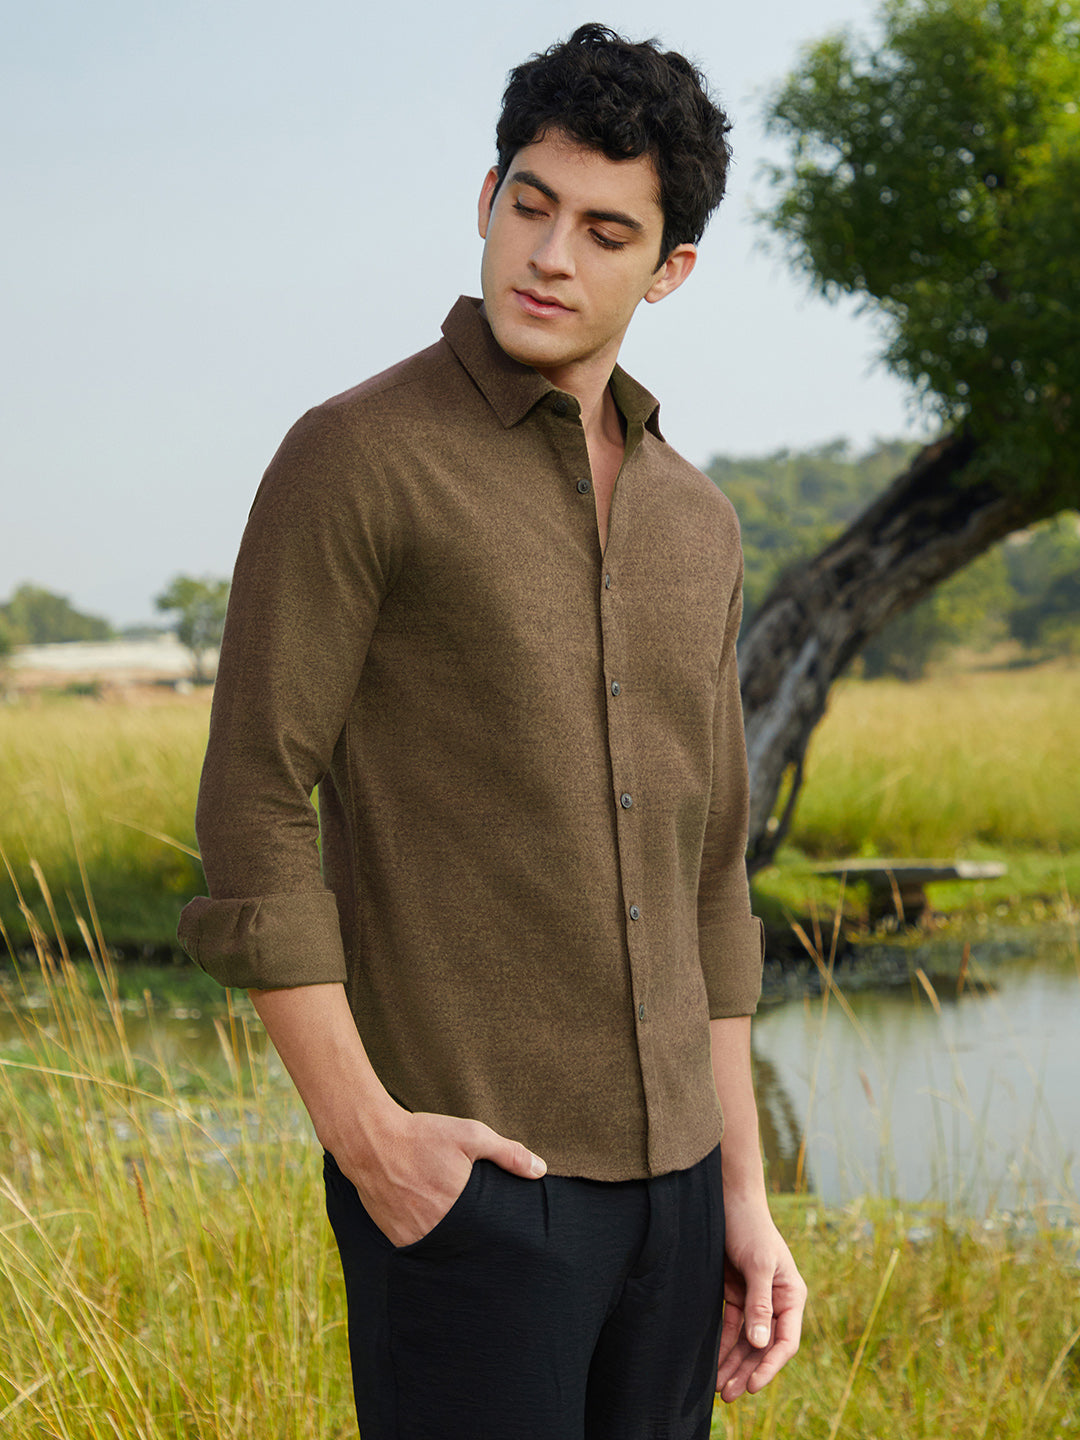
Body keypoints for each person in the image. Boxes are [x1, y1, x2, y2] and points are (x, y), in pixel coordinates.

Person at [178, 22, 806, 1439]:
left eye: (605, 231)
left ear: (670, 269)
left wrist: (741, 1196)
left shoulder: (698, 523)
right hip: (471, 1189)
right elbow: (255, 803)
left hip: (680, 1201)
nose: (550, 256)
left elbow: (709, 875)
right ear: (486, 197)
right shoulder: (355, 457)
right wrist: (370, 1142)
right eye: (530, 205)